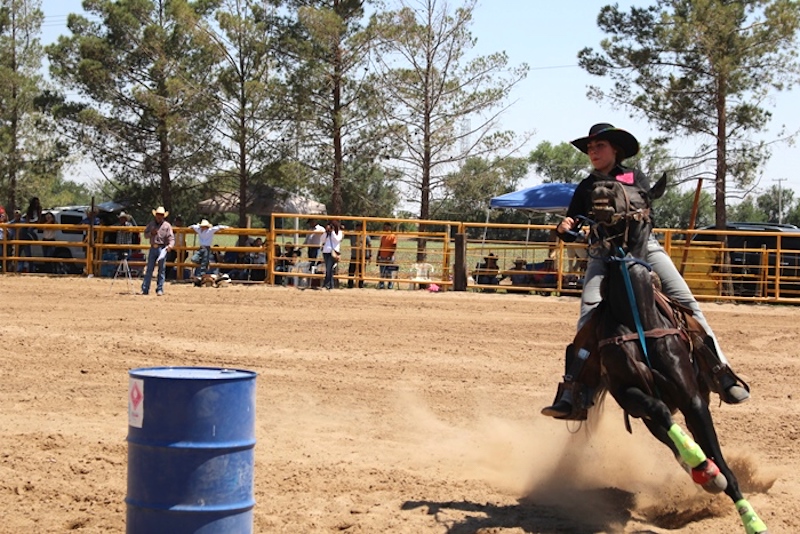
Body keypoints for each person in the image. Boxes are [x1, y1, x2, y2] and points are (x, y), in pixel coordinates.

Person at [541, 123, 749, 420]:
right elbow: (574, 219)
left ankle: (721, 373)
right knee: (588, 315)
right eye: (590, 148)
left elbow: (647, 208)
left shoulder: (634, 177)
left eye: (599, 146)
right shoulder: (586, 185)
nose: (593, 152)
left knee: (688, 304)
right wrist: (566, 227)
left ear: (616, 149)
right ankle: (574, 392)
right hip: (603, 254)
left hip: (644, 248)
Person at [141, 206, 175, 296]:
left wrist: (170, 246)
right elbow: (145, 235)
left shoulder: (167, 226)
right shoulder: (151, 224)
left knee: (161, 270)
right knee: (149, 269)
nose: (159, 216)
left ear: (163, 216)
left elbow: (171, 238)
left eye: (161, 215)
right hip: (153, 248)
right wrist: (150, 233)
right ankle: (145, 289)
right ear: (155, 215)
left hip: (162, 248)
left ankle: (159, 289)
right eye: (158, 215)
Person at [347, 221, 372, 288]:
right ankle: (350, 284)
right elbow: (347, 232)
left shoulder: (365, 235)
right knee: (351, 271)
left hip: (362, 256)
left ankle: (361, 284)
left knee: (361, 271)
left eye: (359, 227)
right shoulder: (353, 234)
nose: (358, 228)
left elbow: (369, 245)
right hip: (354, 255)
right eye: (357, 227)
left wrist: (370, 255)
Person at [320, 220, 343, 290]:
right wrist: (326, 232)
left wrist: (332, 232)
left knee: (329, 268)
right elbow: (322, 239)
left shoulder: (339, 233)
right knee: (328, 269)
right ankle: (331, 285)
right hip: (326, 251)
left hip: (333, 252)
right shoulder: (327, 233)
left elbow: (337, 240)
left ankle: (326, 284)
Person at [376, 222, 398, 289]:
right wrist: (378, 255)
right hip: (382, 256)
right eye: (384, 227)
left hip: (389, 256)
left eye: (385, 227)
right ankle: (382, 284)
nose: (384, 228)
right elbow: (381, 246)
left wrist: (390, 255)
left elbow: (394, 246)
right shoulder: (383, 236)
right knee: (382, 271)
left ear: (389, 227)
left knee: (389, 271)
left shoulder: (392, 236)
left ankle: (390, 285)